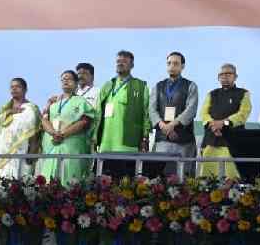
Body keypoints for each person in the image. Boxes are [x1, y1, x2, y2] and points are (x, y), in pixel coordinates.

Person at [95, 50, 151, 178]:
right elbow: (98, 112)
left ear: (132, 65)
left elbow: (146, 113)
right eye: (118, 61)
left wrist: (145, 136)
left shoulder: (140, 86)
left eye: (124, 62)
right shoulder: (108, 85)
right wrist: (95, 136)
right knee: (103, 182)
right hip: (106, 142)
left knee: (125, 182)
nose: (120, 64)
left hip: (127, 143)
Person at [38, 71, 95, 183]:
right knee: (48, 180)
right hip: (53, 146)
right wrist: (53, 133)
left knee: (69, 179)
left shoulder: (81, 102)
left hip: (71, 147)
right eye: (63, 79)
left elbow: (84, 121)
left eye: (69, 79)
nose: (65, 81)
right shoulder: (53, 104)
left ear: (76, 83)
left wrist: (63, 134)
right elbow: (44, 120)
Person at [150, 52, 199, 176]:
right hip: (162, 141)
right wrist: (163, 125)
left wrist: (171, 125)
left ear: (182, 66)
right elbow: (151, 109)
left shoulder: (191, 86)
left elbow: (191, 110)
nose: (172, 66)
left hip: (183, 141)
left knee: (183, 178)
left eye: (176, 63)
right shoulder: (158, 86)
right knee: (158, 178)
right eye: (169, 63)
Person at [198, 63, 252, 178]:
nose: (225, 76)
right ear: (218, 77)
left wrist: (223, 123)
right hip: (211, 141)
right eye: (222, 74)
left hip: (231, 142)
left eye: (228, 74)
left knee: (233, 180)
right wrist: (213, 125)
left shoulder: (243, 94)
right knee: (207, 180)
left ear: (235, 76)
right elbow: (203, 113)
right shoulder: (212, 94)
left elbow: (242, 115)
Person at [0, 78, 42, 179]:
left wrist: (32, 152)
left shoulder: (32, 108)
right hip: (2, 150)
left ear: (25, 90)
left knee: (19, 182)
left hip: (21, 151)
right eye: (12, 87)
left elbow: (35, 132)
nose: (14, 89)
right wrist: (10, 112)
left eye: (17, 86)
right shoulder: (5, 108)